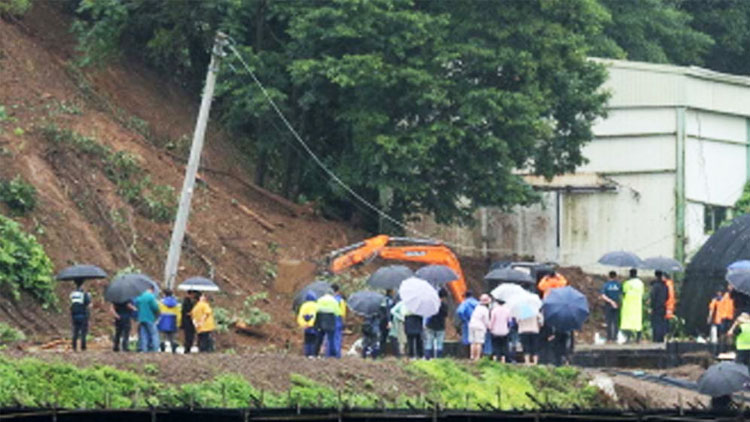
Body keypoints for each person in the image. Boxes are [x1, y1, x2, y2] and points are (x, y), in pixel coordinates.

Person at [620, 268, 644, 343]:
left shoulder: (627, 283)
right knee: (637, 322)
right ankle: (638, 338)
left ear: (630, 274)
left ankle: (628, 338)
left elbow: (623, 292)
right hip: (637, 305)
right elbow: (642, 293)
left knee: (627, 322)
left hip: (628, 305)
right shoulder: (640, 283)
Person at [134, 285, 161, 352]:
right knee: (153, 334)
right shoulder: (151, 297)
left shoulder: (139, 297)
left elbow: (136, 305)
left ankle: (144, 349)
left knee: (143, 334)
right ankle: (155, 349)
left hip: (141, 318)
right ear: (151, 289)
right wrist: (158, 314)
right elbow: (155, 307)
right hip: (150, 318)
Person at [315, 291, 341, 358]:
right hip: (330, 320)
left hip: (320, 319)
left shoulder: (319, 300)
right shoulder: (333, 301)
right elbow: (337, 312)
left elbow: (316, 309)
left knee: (319, 337)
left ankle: (315, 352)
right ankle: (332, 354)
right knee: (331, 338)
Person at [424, 289, 448, 359]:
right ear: (444, 297)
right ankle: (438, 358)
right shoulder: (444, 305)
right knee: (439, 343)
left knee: (429, 342)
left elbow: (428, 313)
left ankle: (428, 358)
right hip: (440, 326)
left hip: (430, 325)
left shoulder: (432, 304)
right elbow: (445, 315)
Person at [69, 280, 92, 352]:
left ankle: (74, 346)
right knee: (83, 332)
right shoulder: (84, 294)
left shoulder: (72, 294)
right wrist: (89, 297)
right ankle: (83, 347)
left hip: (74, 315)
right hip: (83, 314)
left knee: (75, 331)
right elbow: (89, 305)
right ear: (82, 286)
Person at [468, 294, 491, 361]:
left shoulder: (477, 307)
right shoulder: (485, 310)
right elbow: (486, 320)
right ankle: (477, 357)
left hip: (471, 325)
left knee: (473, 342)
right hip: (480, 327)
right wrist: (489, 327)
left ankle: (472, 356)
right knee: (479, 342)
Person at [600, 271, 622, 342]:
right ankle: (615, 337)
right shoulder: (619, 285)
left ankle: (609, 338)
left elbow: (603, 295)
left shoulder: (606, 285)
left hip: (608, 305)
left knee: (609, 322)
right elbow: (621, 294)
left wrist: (610, 301)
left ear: (609, 276)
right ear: (615, 276)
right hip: (617, 305)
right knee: (616, 322)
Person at [456, 291, 479, 356]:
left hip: (467, 323)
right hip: (478, 323)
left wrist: (464, 319)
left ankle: (467, 355)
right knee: (477, 340)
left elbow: (460, 311)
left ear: (465, 296)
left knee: (466, 338)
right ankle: (477, 356)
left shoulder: (465, 303)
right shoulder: (477, 303)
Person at [489, 298, 511, 362]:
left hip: (495, 331)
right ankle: (503, 359)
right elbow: (509, 321)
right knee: (504, 345)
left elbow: (492, 321)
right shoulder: (507, 310)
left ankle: (495, 358)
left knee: (495, 345)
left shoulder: (494, 310)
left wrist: (490, 328)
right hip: (504, 331)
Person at [297, 291, 319, 357]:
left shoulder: (303, 305)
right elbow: (313, 315)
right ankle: (312, 354)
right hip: (313, 325)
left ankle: (307, 353)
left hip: (305, 325)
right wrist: (310, 324)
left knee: (307, 340)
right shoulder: (316, 305)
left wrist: (303, 324)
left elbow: (300, 315)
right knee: (313, 340)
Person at [650, 271, 669, 343]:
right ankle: (661, 338)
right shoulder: (665, 286)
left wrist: (652, 306)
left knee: (656, 323)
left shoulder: (655, 286)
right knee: (662, 323)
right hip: (663, 307)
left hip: (656, 307)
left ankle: (656, 338)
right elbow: (667, 296)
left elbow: (653, 297)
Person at [330, 284, 346, 358]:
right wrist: (344, 322)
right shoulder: (340, 300)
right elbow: (343, 313)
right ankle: (337, 354)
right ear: (338, 291)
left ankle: (329, 353)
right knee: (337, 337)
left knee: (329, 337)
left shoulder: (329, 300)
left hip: (329, 320)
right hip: (337, 320)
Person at [379, 290, 396, 356]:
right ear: (391, 292)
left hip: (382, 320)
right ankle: (395, 353)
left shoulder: (382, 300)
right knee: (392, 336)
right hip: (387, 321)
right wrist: (389, 321)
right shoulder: (389, 300)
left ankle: (382, 352)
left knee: (383, 337)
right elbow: (388, 311)